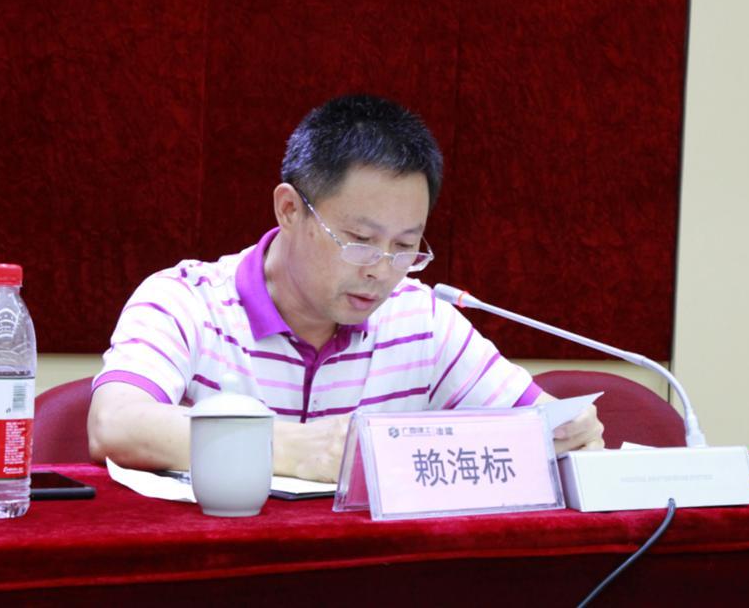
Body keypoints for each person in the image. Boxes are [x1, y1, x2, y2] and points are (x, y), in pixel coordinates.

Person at [88, 94, 603, 481]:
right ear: (290, 209)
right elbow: (113, 425)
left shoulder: (421, 320)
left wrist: (567, 435)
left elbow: (537, 425)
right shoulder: (185, 301)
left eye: (406, 246)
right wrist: (295, 449)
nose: (382, 270)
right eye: (360, 241)